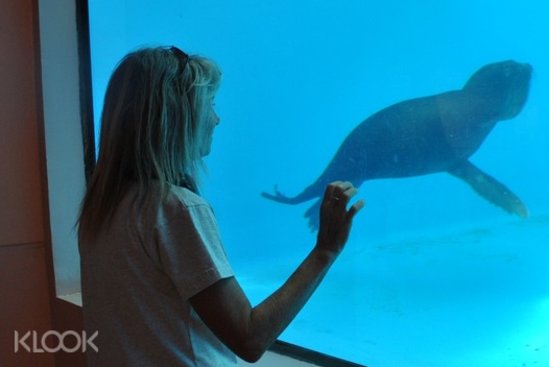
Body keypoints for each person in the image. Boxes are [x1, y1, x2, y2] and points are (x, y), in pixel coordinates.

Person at [77, 46, 364, 365]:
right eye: (209, 104)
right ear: (177, 117)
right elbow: (250, 338)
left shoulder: (103, 205)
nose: (217, 119)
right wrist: (325, 250)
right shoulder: (174, 209)